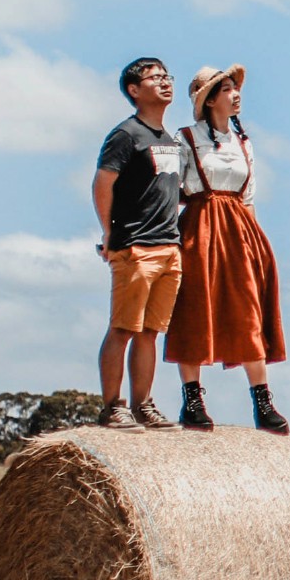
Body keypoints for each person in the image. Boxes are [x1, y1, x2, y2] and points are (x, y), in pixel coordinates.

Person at [167, 63, 288, 433]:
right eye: (227, 90)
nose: (236, 95)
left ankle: (262, 400)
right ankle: (192, 399)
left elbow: (249, 197)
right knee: (194, 308)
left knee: (248, 310)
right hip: (200, 227)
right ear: (209, 100)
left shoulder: (245, 145)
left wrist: (256, 245)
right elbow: (171, 194)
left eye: (237, 89)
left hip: (240, 230)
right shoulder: (184, 139)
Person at [91, 57, 186, 431]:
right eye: (155, 78)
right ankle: (113, 406)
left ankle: (143, 405)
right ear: (134, 90)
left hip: (169, 247)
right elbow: (102, 184)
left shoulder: (170, 140)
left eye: (167, 77)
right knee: (123, 328)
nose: (165, 83)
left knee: (150, 333)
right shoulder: (126, 134)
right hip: (136, 246)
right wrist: (109, 233)